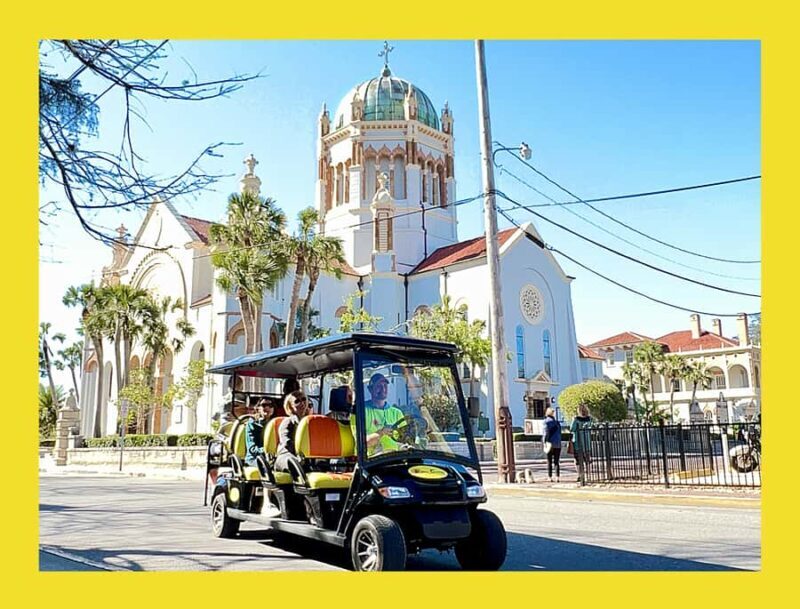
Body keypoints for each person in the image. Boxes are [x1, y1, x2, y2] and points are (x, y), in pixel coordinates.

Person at [352, 372, 405, 455]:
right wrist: (381, 432)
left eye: (385, 386)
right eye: (378, 386)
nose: (383, 389)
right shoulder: (360, 411)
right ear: (370, 389)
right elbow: (361, 444)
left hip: (394, 458)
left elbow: (405, 438)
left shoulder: (397, 413)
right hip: (370, 461)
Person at [274, 390, 311, 474]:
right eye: (297, 401)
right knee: (295, 463)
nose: (302, 403)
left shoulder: (310, 421)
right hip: (286, 455)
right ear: (290, 406)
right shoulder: (287, 422)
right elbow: (286, 442)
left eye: (304, 399)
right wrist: (300, 453)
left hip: (306, 456)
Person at [244, 399, 274, 466]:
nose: (267, 408)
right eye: (264, 405)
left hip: (272, 457)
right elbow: (252, 449)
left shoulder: (275, 423)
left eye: (270, 405)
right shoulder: (252, 424)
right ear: (258, 408)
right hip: (254, 458)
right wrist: (267, 451)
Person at [570, 403, 593, 485]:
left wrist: (573, 420)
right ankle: (588, 475)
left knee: (578, 461)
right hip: (587, 442)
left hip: (578, 443)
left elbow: (572, 429)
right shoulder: (589, 419)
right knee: (587, 460)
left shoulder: (576, 419)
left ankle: (580, 475)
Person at [542, 407, 562, 483]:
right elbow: (560, 433)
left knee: (549, 461)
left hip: (549, 444)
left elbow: (545, 433)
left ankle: (549, 477)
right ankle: (557, 477)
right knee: (556, 462)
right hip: (557, 444)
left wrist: (544, 442)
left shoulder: (545, 422)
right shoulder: (557, 423)